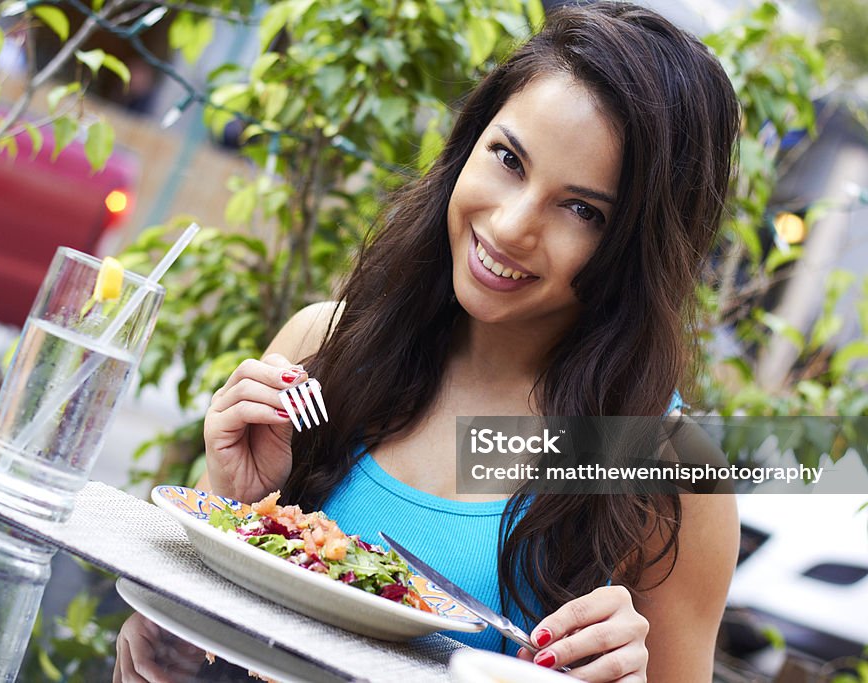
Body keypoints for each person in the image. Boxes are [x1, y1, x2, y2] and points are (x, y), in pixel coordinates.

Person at [197, 2, 742, 680]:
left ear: (639, 249)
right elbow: (184, 637)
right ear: (468, 143)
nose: (512, 226)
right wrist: (233, 506)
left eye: (582, 210)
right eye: (509, 158)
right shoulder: (322, 348)